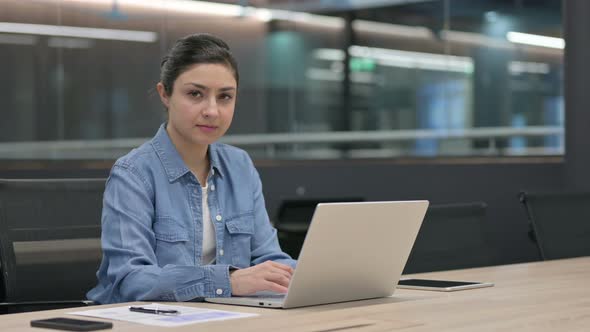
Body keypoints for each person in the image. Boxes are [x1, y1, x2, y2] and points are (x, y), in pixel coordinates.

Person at [87, 33, 296, 304]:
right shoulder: (133, 173)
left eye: (225, 97)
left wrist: (320, 274)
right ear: (165, 94)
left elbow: (269, 258)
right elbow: (132, 280)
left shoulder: (240, 166)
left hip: (224, 317)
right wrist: (228, 281)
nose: (212, 110)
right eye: (195, 94)